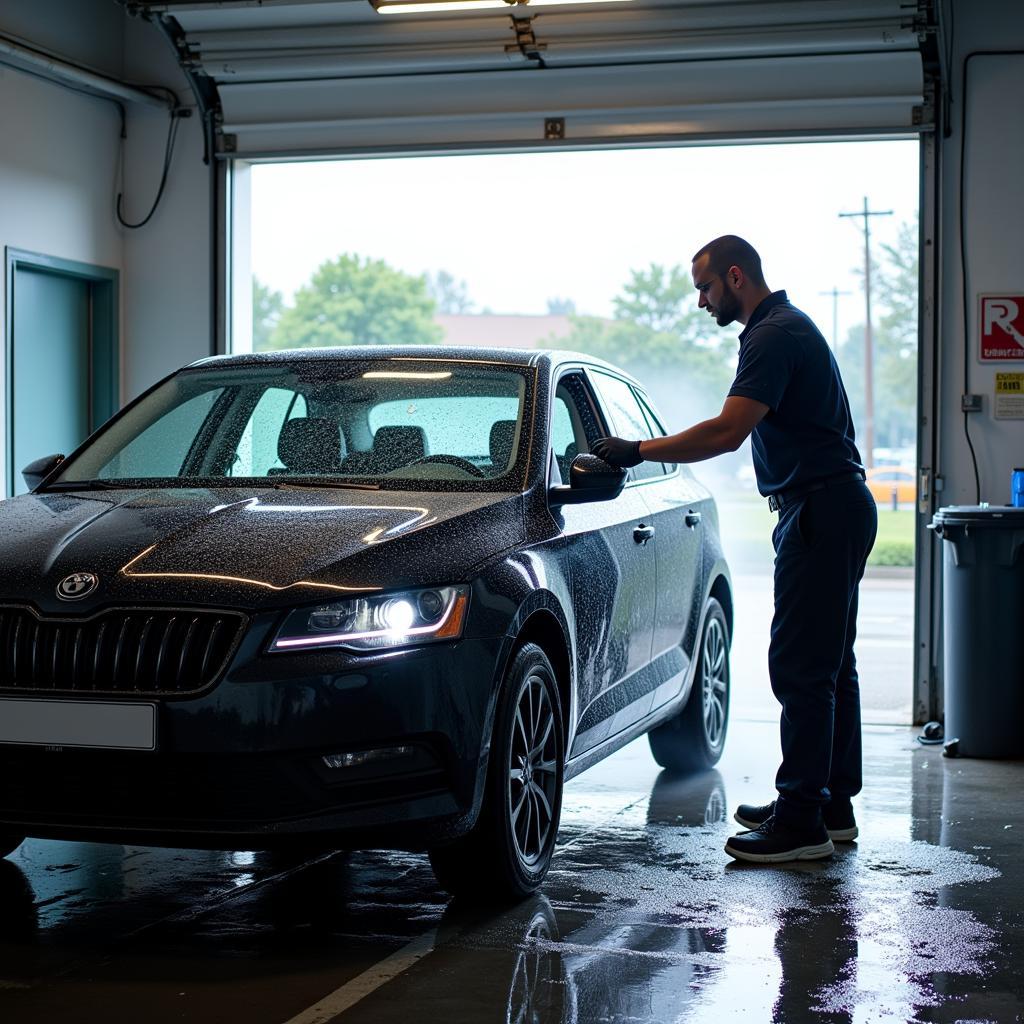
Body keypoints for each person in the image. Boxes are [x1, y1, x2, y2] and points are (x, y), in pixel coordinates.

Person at [593, 235, 877, 864]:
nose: (701, 302)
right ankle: (827, 805)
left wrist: (637, 450)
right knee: (831, 666)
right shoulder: (785, 328)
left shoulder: (773, 335)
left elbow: (727, 431)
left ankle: (801, 821)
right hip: (832, 506)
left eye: (705, 288)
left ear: (736, 277)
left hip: (820, 511)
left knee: (801, 667)